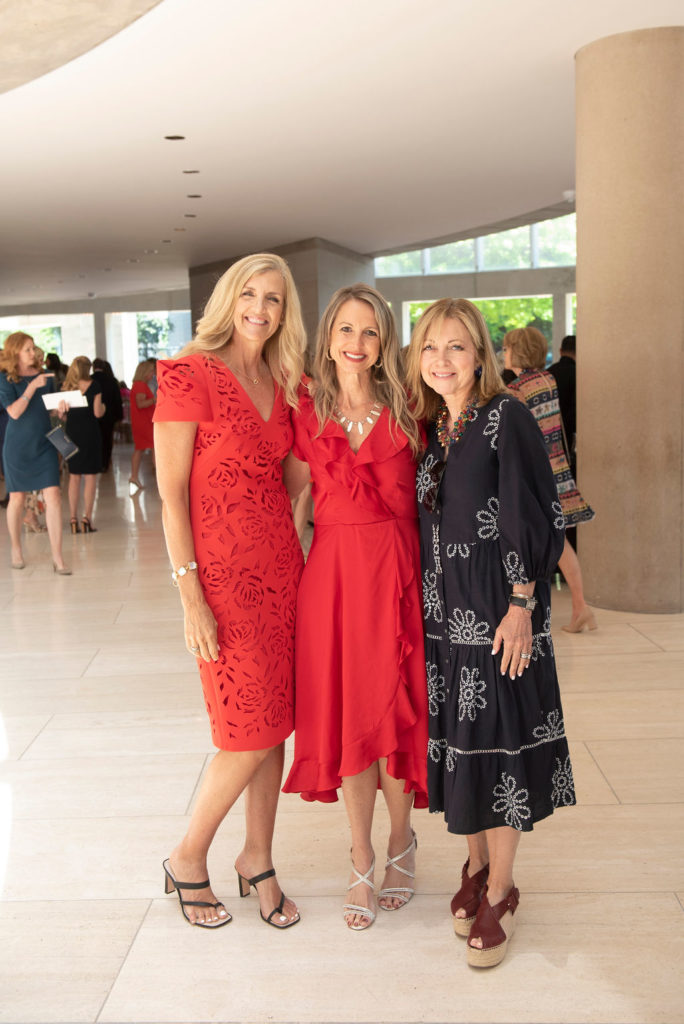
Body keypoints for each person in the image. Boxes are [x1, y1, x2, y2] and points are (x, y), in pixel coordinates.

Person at [406, 299, 575, 968]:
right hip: (443, 621)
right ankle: (474, 867)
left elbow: (537, 511)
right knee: (461, 747)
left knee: (500, 748)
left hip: (499, 615)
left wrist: (522, 603)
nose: (441, 359)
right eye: (429, 347)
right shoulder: (431, 429)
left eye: (455, 346)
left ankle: (501, 890)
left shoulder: (507, 416)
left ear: (480, 354)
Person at [154, 252, 306, 930]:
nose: (260, 308)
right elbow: (170, 497)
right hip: (221, 581)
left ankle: (257, 859)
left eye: (274, 298)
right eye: (249, 293)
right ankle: (188, 856)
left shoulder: (283, 380)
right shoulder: (190, 373)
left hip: (282, 571)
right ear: (228, 299)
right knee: (246, 730)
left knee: (276, 724)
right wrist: (190, 597)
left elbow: (293, 481)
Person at [282, 284, 428, 931]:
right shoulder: (305, 413)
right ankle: (361, 854)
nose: (357, 343)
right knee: (351, 719)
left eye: (370, 331)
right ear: (328, 337)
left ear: (384, 341)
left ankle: (400, 841)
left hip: (398, 577)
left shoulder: (411, 409)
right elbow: (284, 502)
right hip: (335, 582)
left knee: (394, 715)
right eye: (346, 329)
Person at [503, 327, 596, 633]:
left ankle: (570, 608)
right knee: (559, 541)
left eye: (507, 348)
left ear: (517, 351)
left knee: (538, 542)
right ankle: (580, 606)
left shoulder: (516, 390)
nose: (504, 354)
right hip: (557, 468)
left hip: (535, 475)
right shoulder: (547, 380)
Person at [0, 331, 70, 573]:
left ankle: (58, 557)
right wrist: (31, 387)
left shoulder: (45, 377)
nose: (33, 352)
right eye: (27, 349)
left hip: (44, 445)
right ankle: (16, 549)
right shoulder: (5, 379)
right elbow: (14, 412)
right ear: (15, 353)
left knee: (54, 496)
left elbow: (50, 412)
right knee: (17, 499)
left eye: (33, 347)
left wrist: (61, 411)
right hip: (17, 448)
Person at [62, 356, 105, 532]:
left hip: (72, 434)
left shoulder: (67, 387)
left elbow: (62, 416)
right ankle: (87, 518)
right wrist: (104, 407)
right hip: (90, 434)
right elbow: (97, 413)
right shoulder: (95, 386)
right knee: (90, 477)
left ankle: (73, 519)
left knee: (74, 477)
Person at [92, 358, 124, 471]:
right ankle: (105, 463)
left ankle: (96, 462)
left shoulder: (90, 380)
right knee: (107, 439)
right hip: (109, 416)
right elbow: (117, 400)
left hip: (92, 416)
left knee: (95, 439)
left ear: (93, 367)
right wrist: (119, 415)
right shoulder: (111, 380)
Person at [129, 360, 156, 489]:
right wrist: (155, 399)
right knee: (154, 449)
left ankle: (134, 476)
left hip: (142, 422)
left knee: (139, 449)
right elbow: (140, 404)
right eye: (151, 371)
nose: (153, 374)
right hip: (144, 423)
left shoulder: (139, 385)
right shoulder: (140, 385)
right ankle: (161, 478)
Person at [548, 335, 576, 459]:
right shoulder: (578, 373)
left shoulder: (548, 373)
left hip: (549, 431)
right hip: (568, 432)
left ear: (560, 351)